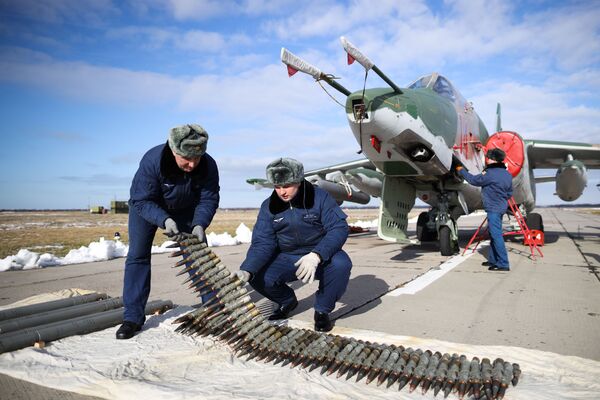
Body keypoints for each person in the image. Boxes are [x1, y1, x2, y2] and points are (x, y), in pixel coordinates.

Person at [116, 124, 220, 339]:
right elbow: (140, 199)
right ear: (174, 151)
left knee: (199, 255)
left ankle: (213, 311)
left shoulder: (208, 165)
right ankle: (132, 317)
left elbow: (208, 198)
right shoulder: (153, 160)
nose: (192, 164)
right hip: (147, 207)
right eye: (186, 159)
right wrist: (163, 219)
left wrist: (200, 223)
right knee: (138, 256)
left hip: (185, 210)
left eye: (197, 158)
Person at [235, 158, 352, 332]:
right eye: (277, 186)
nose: (282, 192)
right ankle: (286, 301)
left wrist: (316, 255)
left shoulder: (319, 197)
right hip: (287, 256)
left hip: (318, 254)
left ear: (298, 181)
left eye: (287, 185)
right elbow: (262, 242)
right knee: (257, 275)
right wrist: (247, 269)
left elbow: (339, 228)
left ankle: (321, 311)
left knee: (341, 264)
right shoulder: (269, 206)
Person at [456, 148, 513, 271]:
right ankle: (493, 260)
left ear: (493, 159)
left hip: (493, 209)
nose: (487, 159)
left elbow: (473, 180)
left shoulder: (490, 173)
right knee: (494, 234)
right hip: (501, 207)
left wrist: (462, 171)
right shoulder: (507, 174)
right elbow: (509, 193)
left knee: (496, 235)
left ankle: (503, 263)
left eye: (489, 157)